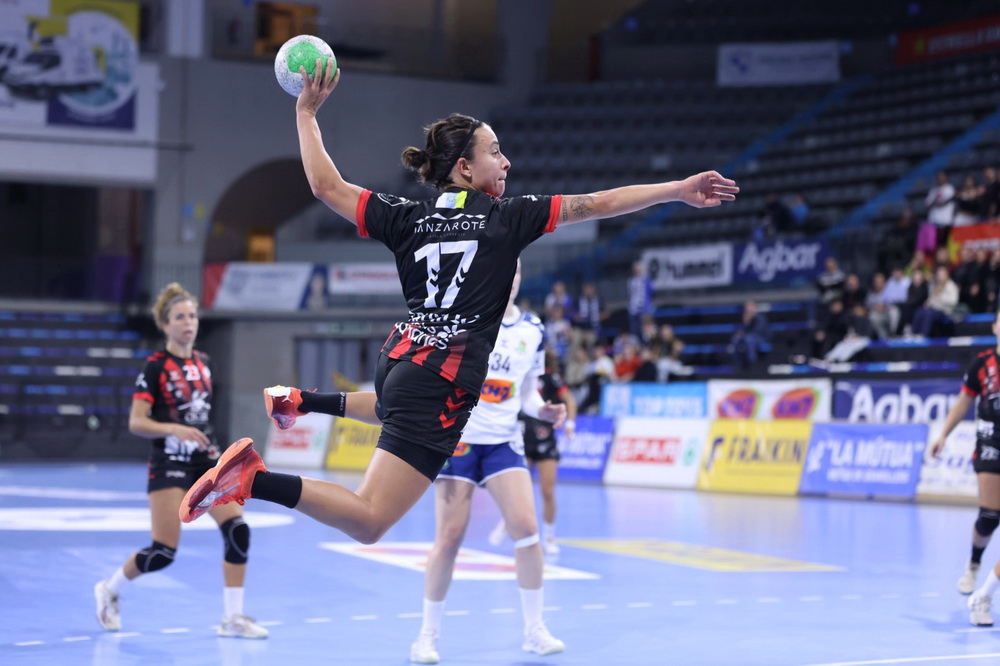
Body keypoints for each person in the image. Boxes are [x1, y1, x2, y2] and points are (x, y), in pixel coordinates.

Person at [179, 61, 737, 560]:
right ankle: (252, 480)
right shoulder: (509, 216)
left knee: (396, 410)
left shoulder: (406, 215)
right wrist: (676, 189)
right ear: (466, 168)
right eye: (495, 152)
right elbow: (602, 202)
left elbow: (325, 185)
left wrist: (306, 113)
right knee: (370, 520)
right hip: (441, 380)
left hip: (402, 361)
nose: (507, 161)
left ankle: (301, 401)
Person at [93, 283, 267, 639]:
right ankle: (109, 589)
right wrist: (174, 428)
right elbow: (136, 422)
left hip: (206, 463)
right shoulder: (155, 367)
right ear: (165, 324)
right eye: (179, 317)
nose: (188, 322)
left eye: (192, 316)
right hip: (169, 464)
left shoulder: (205, 363)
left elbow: (201, 418)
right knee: (163, 552)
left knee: (238, 530)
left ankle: (233, 618)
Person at [931, 311, 1000, 626]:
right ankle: (974, 565)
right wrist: (943, 435)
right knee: (990, 516)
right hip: (990, 444)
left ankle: (984, 594)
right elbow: (962, 403)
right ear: (995, 327)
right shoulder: (982, 364)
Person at [491, 346, 578, 560]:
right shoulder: (516, 373)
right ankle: (506, 522)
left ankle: (549, 537)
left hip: (545, 437)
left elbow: (570, 399)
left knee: (548, 491)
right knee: (516, 490)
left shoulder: (550, 377)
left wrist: (570, 423)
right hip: (521, 436)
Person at [730, 300, 770, 368]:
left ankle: (752, 363)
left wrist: (749, 323)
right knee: (735, 339)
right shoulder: (746, 317)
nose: (748, 309)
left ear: (754, 308)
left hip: (761, 338)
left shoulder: (760, 317)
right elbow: (742, 329)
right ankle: (738, 363)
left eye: (750, 307)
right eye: (747, 308)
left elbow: (759, 331)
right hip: (748, 337)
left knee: (749, 339)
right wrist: (745, 324)